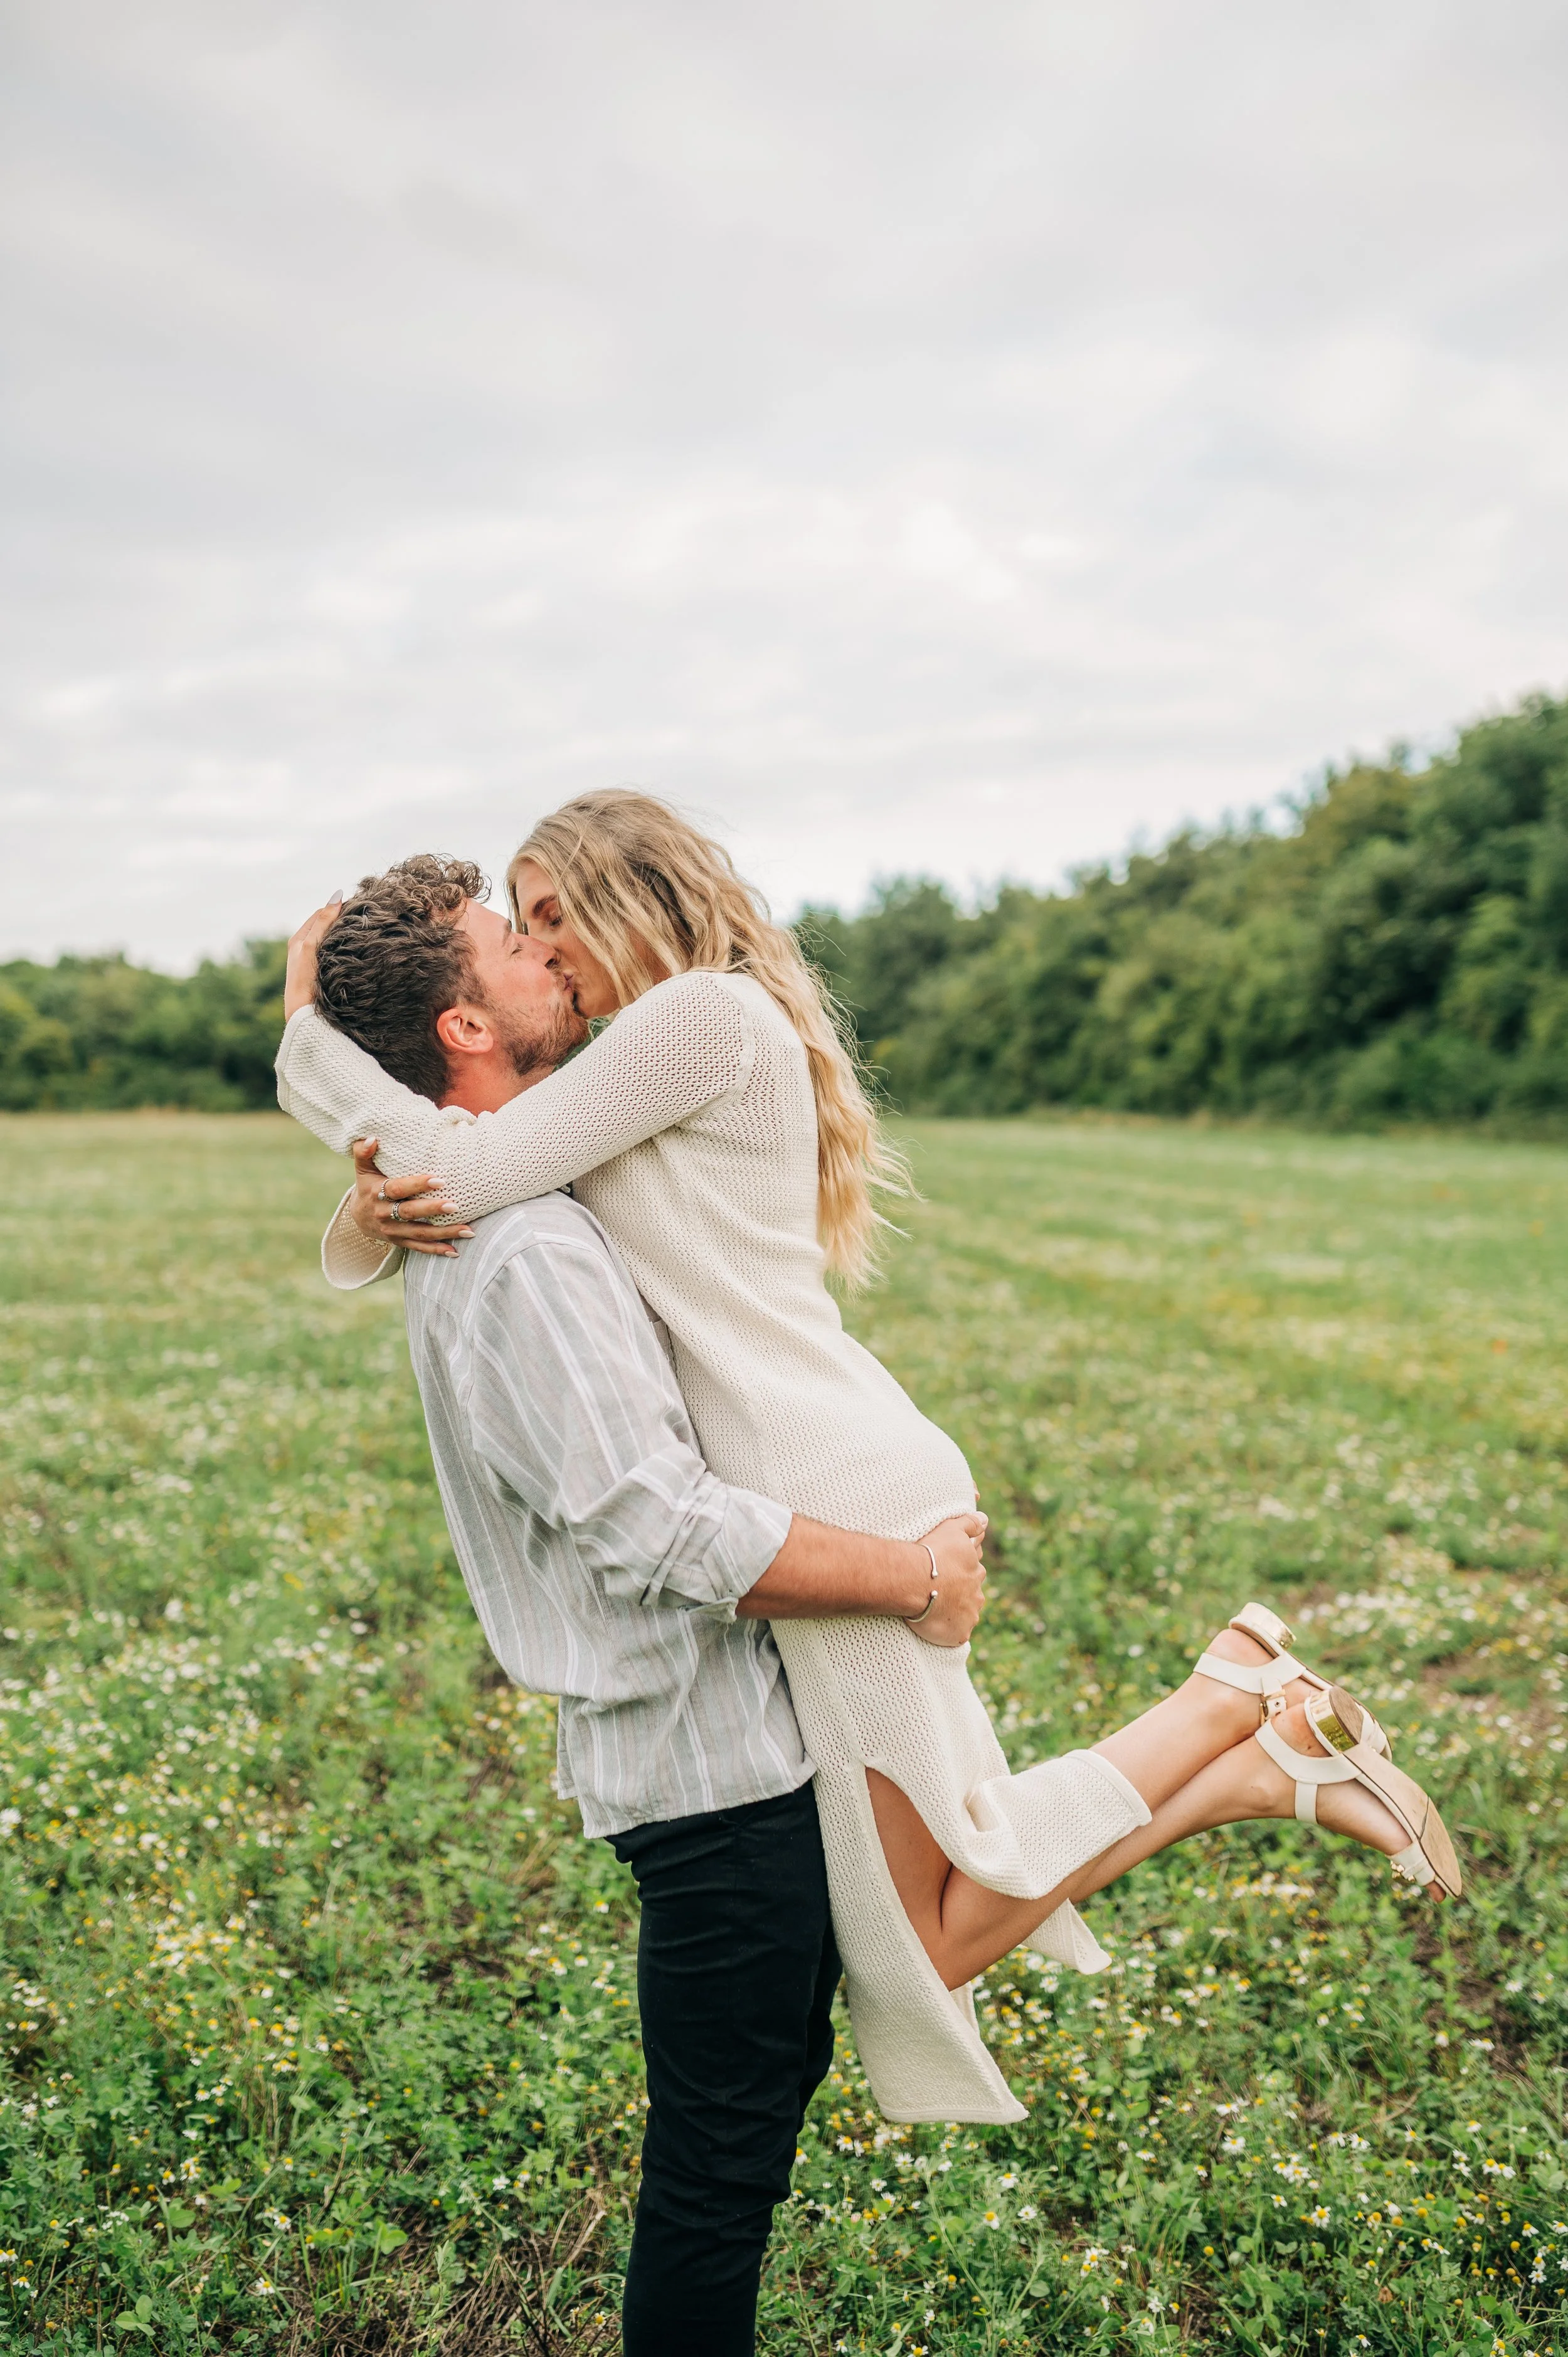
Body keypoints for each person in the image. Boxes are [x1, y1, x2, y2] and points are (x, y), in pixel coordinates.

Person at [277, 815, 1461, 2144]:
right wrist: (375, 1183)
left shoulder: (698, 1020)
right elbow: (474, 1155)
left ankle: (1228, 1700)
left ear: (630, 899)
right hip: (814, 1474)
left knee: (931, 1935)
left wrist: (306, 1044)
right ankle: (1257, 1767)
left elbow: (476, 1161)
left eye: (551, 917)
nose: (543, 952)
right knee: (936, 1911)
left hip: (824, 1487)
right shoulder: (645, 1051)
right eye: (522, 928)